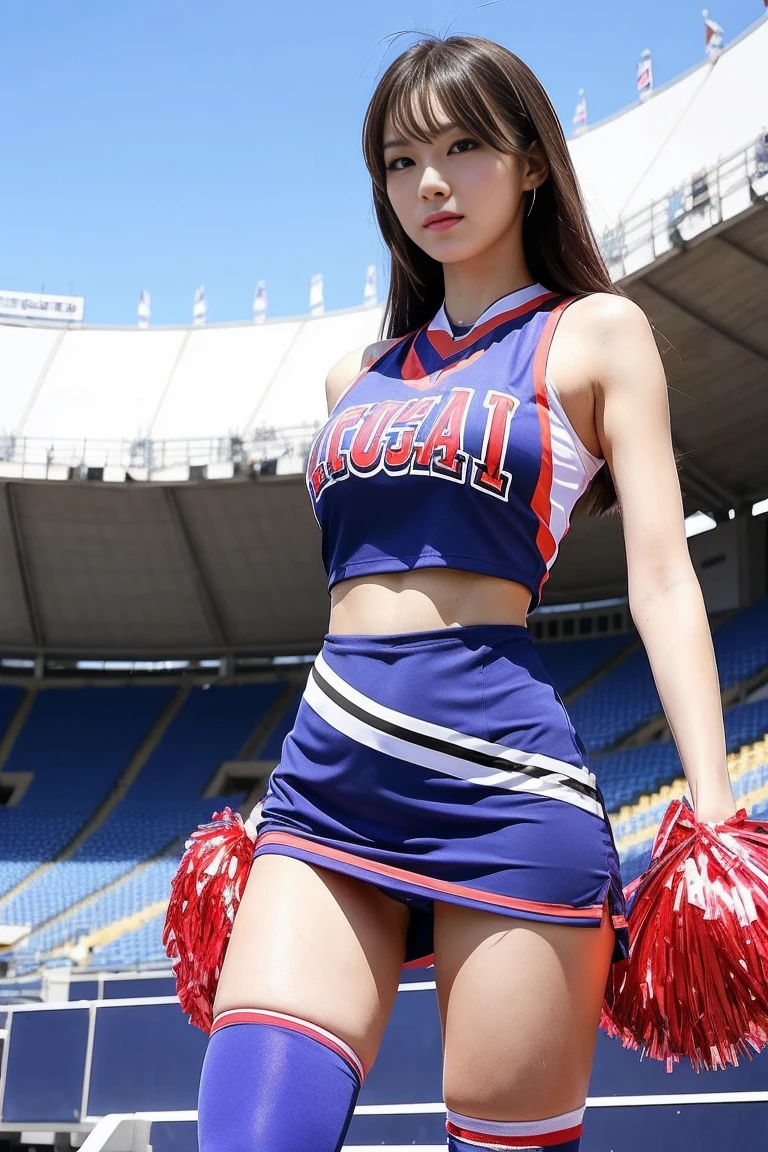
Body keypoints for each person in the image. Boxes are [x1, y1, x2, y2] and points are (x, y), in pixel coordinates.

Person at [196, 34, 736, 1152]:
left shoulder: (594, 334)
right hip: (325, 788)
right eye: (399, 161)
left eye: (463, 147)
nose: (428, 183)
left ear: (532, 162)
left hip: (506, 796)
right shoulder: (356, 376)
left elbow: (662, 576)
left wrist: (714, 802)